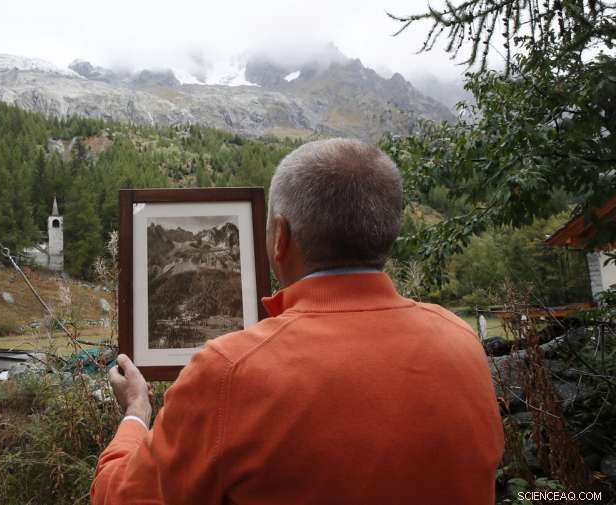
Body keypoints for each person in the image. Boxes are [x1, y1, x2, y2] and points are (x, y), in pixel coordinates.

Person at [90, 138, 504, 505]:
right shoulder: (462, 341)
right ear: (387, 233)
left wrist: (135, 412)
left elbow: (120, 497)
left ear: (279, 238)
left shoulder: (230, 371)